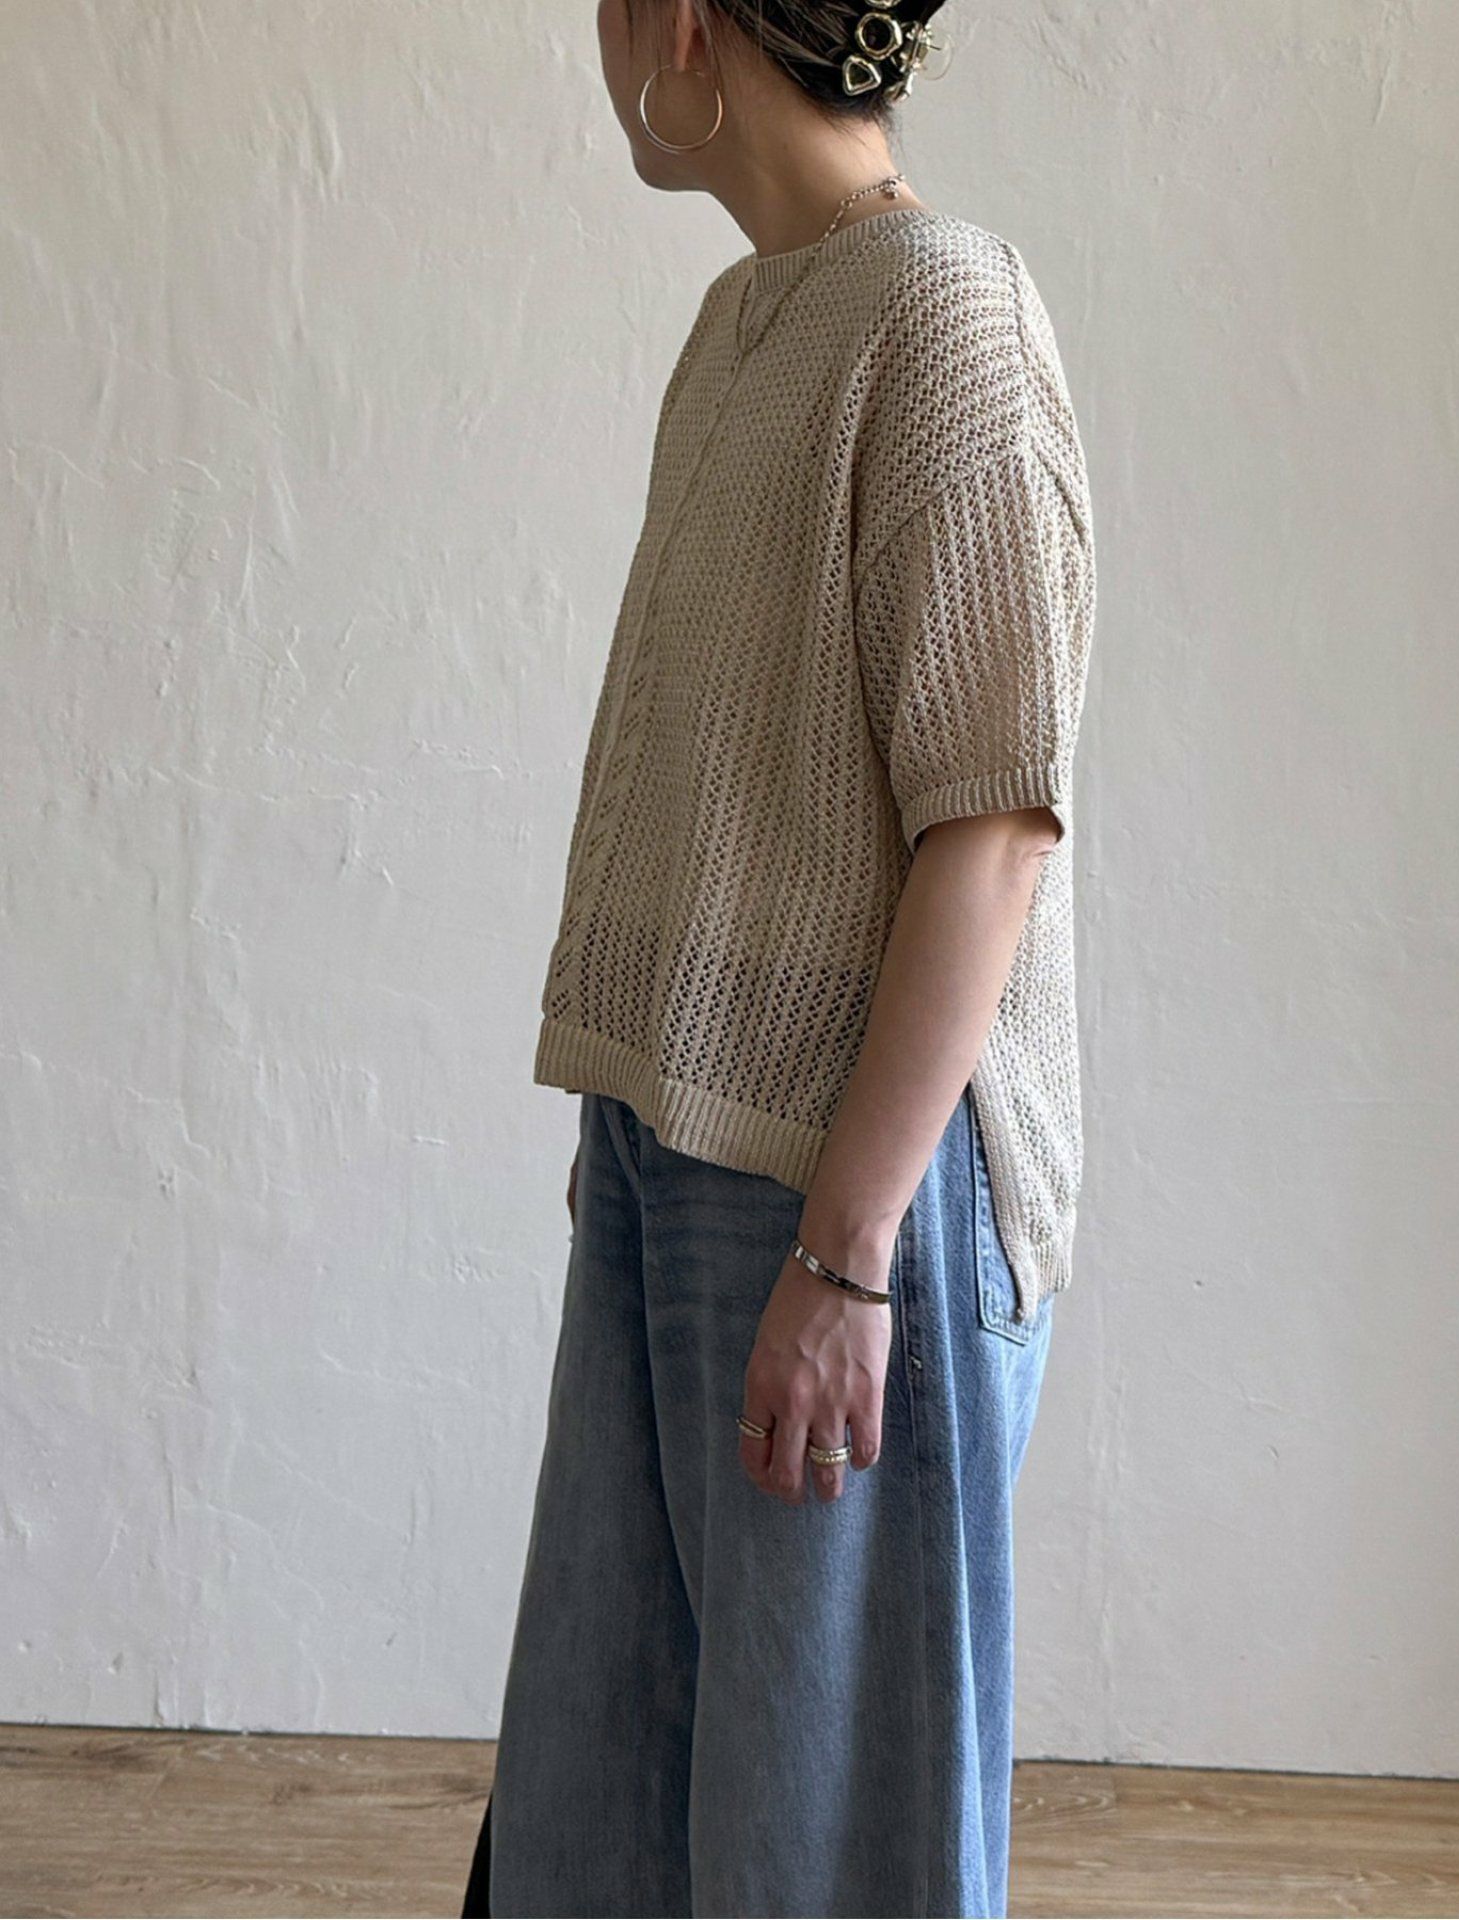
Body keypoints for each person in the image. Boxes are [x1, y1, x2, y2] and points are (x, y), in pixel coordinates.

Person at [464, 1, 1096, 1913]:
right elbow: (723, 782)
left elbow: (994, 824)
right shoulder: (741, 324)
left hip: (848, 1198)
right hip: (676, 1156)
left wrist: (847, 1251)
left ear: (679, 22)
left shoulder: (948, 315)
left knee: (832, 1854)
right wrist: (632, 1126)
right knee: (604, 1809)